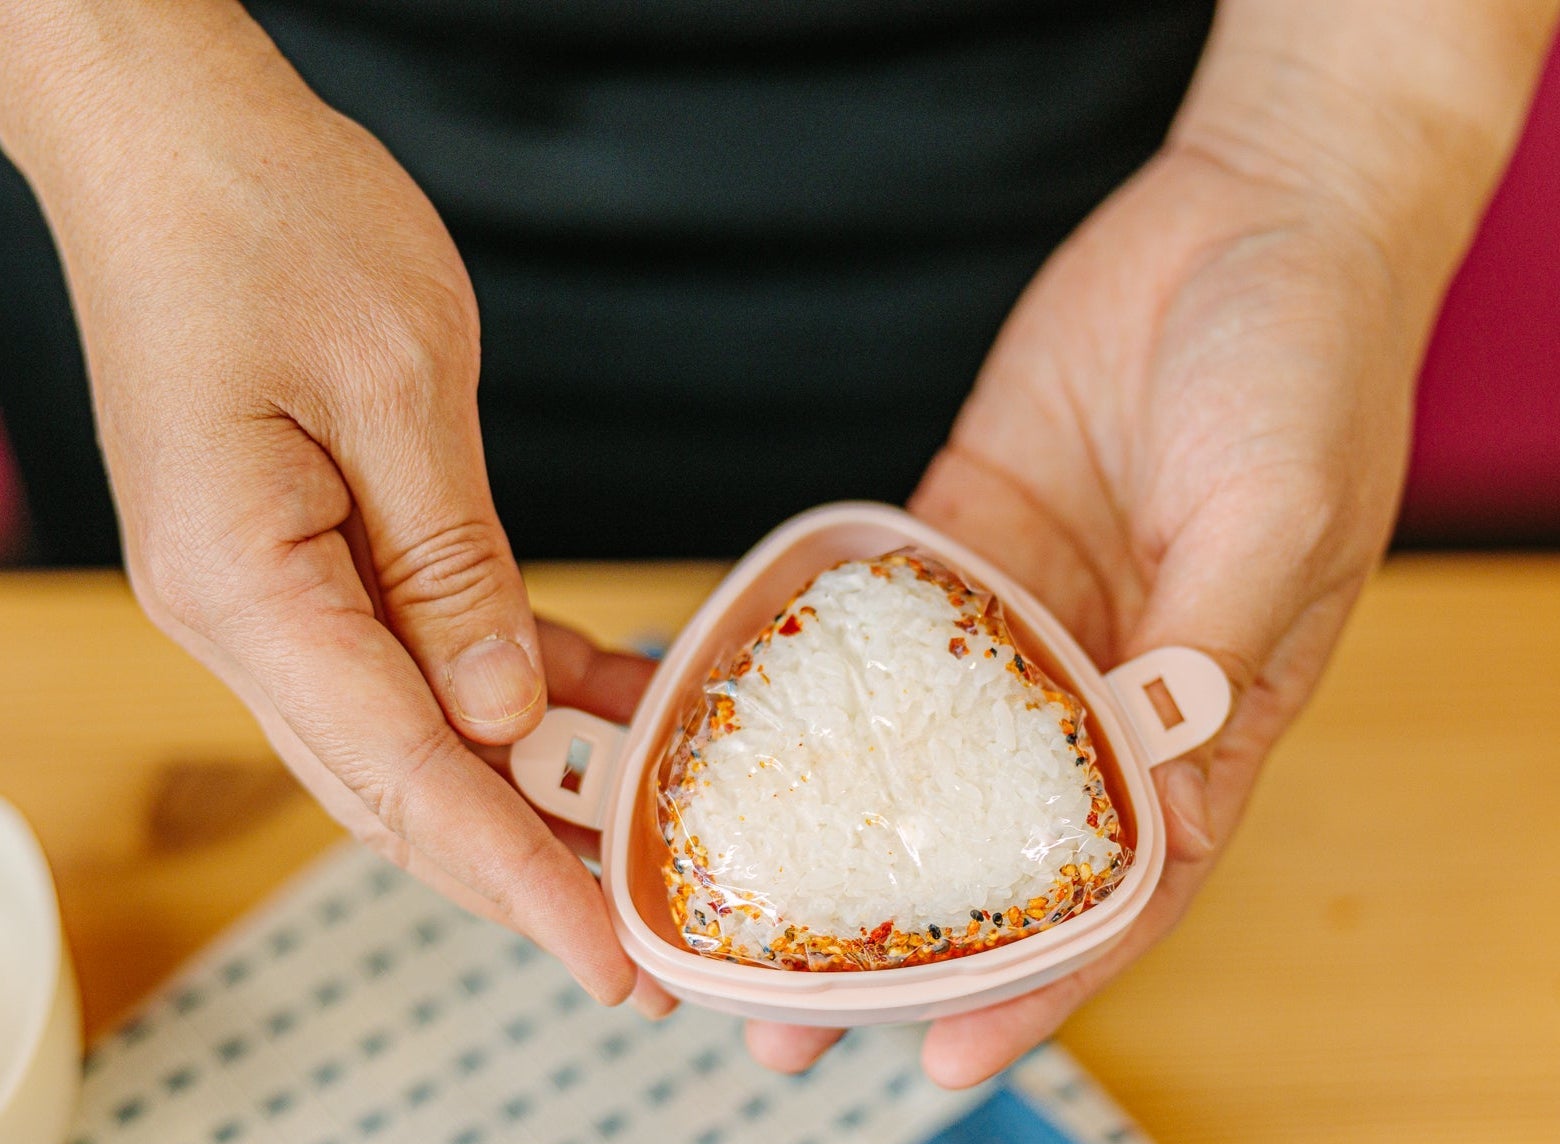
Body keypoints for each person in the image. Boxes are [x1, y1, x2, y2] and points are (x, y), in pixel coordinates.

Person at [1, 0, 1554, 1086]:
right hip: (220, 176)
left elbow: (1336, 129)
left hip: (1095, 164)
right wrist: (112, 93)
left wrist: (1326, 156)